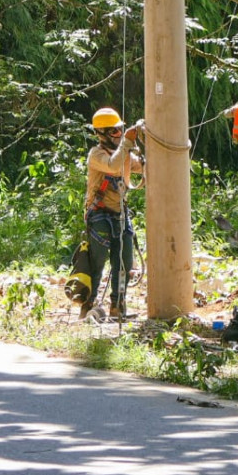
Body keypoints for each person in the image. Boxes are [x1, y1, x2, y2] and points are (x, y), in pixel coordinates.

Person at [82, 107, 144, 319]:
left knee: (125, 261)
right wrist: (126, 143)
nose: (119, 134)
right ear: (103, 134)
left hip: (119, 213)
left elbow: (143, 167)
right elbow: (112, 165)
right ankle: (88, 304)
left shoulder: (125, 154)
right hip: (99, 214)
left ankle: (118, 306)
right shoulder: (97, 155)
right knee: (97, 262)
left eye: (121, 129)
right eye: (115, 131)